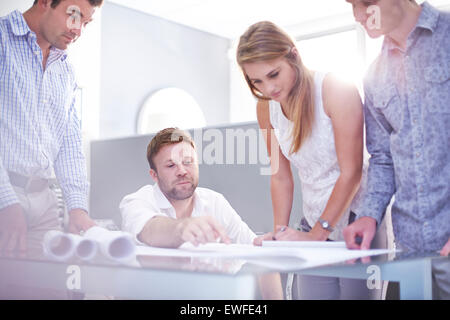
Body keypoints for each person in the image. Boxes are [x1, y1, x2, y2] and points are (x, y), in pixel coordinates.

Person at [236, 21, 387, 300]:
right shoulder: (265, 108)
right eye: (257, 81)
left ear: (293, 55)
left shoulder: (334, 88)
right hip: (314, 222)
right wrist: (280, 233)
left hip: (357, 220)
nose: (268, 88)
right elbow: (280, 176)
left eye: (273, 74)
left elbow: (351, 172)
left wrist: (318, 234)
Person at [343, 0, 450, 300]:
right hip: (409, 251)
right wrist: (368, 214)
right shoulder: (374, 76)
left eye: (365, 3)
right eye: (352, 5)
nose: (358, 15)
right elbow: (382, 158)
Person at [120, 127, 283, 299]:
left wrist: (265, 245)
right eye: (170, 165)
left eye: (188, 161)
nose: (182, 171)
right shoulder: (136, 201)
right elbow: (149, 230)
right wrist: (182, 228)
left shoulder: (215, 202)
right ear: (154, 175)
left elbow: (259, 254)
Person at [0, 0, 103, 262]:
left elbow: (69, 146)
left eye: (86, 23)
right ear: (45, 2)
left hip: (44, 204)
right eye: (74, 15)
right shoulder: (2, 41)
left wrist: (77, 207)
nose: (78, 30)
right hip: (4, 192)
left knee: (48, 289)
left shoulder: (65, 71)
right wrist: (5, 200)